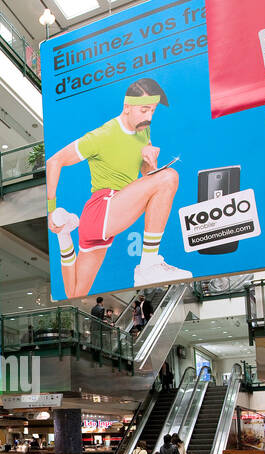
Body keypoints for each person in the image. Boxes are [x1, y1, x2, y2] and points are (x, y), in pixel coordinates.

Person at [46, 77, 189, 297]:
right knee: (169, 177)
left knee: (75, 293)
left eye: (152, 111)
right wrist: (50, 210)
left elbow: (146, 180)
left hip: (109, 217)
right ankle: (149, 264)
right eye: (144, 110)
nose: (149, 117)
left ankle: (64, 232)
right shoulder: (103, 135)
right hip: (102, 208)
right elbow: (54, 161)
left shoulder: (144, 132)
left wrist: (149, 163)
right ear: (127, 107)